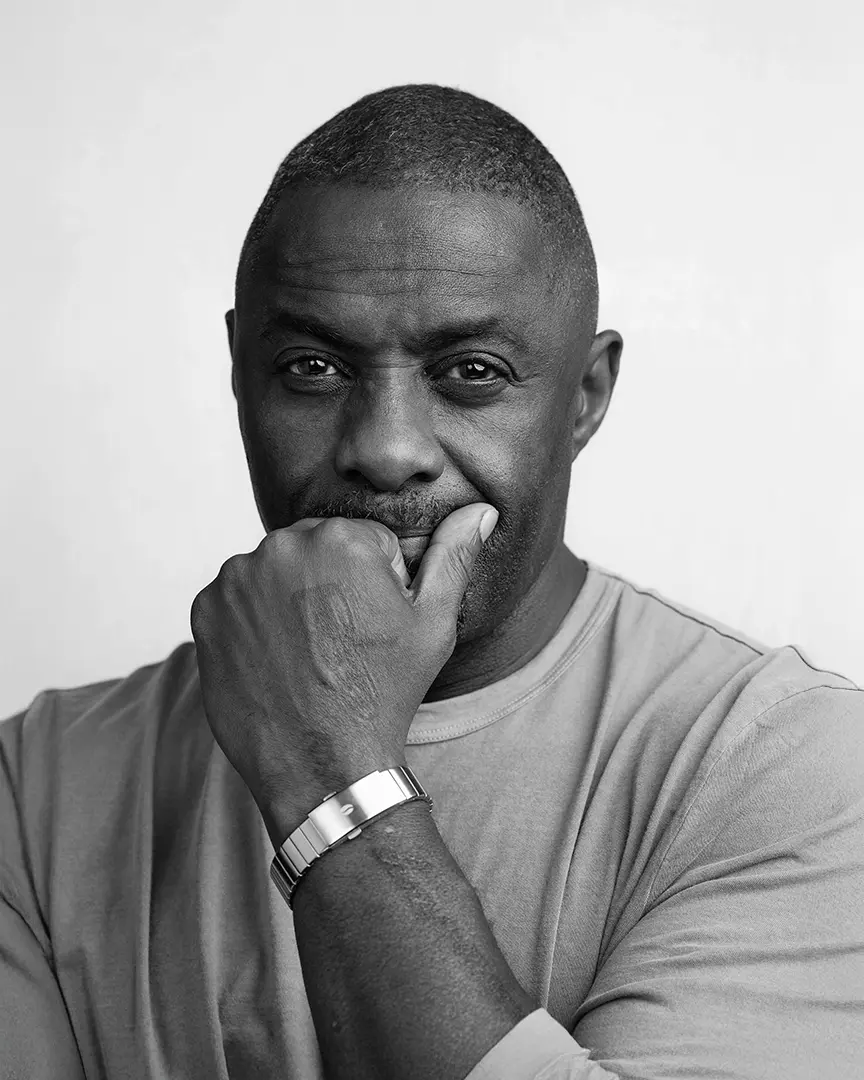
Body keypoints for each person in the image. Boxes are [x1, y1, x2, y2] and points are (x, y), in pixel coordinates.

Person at [1, 83, 862, 1080]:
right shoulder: (35, 790)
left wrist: (331, 773)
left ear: (585, 397)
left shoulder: (792, 768)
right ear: (238, 369)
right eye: (314, 368)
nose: (388, 449)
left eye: (473, 372)